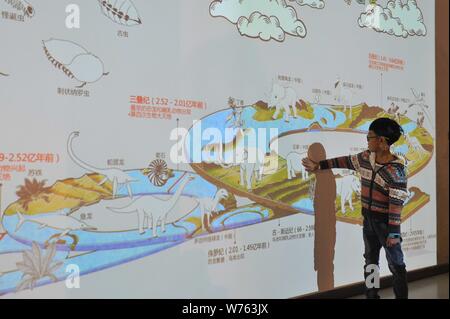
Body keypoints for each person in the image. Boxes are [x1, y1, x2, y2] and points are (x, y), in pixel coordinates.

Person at [302, 117, 409, 299]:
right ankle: (372, 295)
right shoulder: (366, 158)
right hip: (369, 222)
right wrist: (320, 165)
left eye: (370, 137)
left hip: (386, 226)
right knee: (371, 262)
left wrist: (393, 233)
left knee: (396, 264)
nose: (367, 140)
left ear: (382, 141)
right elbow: (345, 161)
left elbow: (396, 205)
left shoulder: (395, 172)